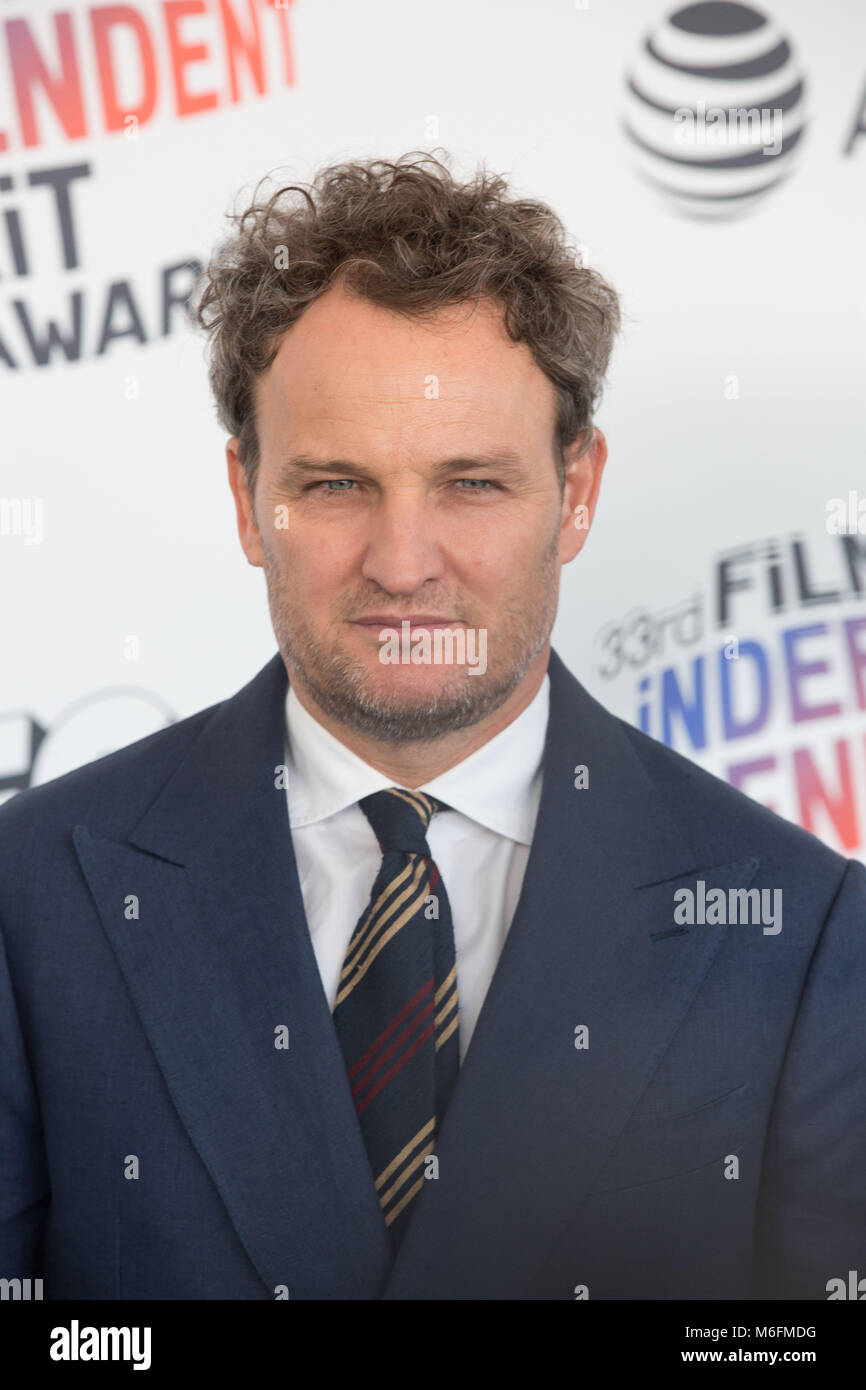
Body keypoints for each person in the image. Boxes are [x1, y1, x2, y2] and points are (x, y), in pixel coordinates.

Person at [1, 152, 863, 1301]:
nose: (403, 565)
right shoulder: (32, 897)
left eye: (471, 483)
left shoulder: (798, 928)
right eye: (336, 484)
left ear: (577, 491)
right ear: (247, 499)